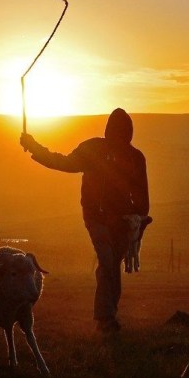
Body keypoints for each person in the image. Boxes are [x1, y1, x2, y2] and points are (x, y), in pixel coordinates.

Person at [19, 108, 150, 333]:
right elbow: (63, 162)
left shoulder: (133, 157)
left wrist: (139, 221)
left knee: (111, 266)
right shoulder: (98, 150)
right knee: (108, 263)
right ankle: (105, 319)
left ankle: (108, 317)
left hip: (122, 222)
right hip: (97, 219)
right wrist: (34, 147)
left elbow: (142, 196)